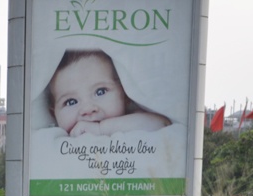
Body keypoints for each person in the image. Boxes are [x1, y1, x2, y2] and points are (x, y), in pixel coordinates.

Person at [41, 49, 170, 136]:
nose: (88, 109)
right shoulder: (55, 137)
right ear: (54, 114)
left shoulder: (132, 122)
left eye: (100, 91)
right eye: (71, 102)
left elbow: (162, 124)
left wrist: (101, 129)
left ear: (125, 96)